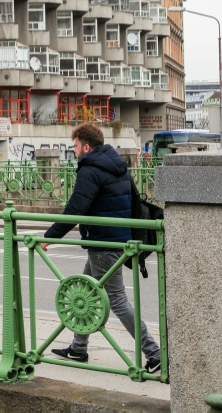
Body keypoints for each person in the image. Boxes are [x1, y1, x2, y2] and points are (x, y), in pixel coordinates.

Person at [40, 123, 161, 373]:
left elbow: (76, 208)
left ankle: (154, 353)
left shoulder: (90, 169)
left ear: (86, 147)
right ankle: (78, 347)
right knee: (85, 289)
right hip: (117, 239)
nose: (73, 151)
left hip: (103, 243)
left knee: (116, 300)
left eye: (75, 146)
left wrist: (50, 235)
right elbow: (133, 201)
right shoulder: (118, 166)